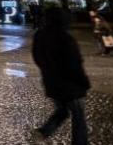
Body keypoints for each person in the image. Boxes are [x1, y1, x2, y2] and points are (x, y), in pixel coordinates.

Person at [31, 8, 90, 145]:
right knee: (78, 116)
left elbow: (37, 57)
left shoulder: (40, 35)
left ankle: (43, 132)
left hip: (51, 82)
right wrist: (83, 82)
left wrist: (47, 71)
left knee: (62, 111)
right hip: (70, 86)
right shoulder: (64, 37)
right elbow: (74, 64)